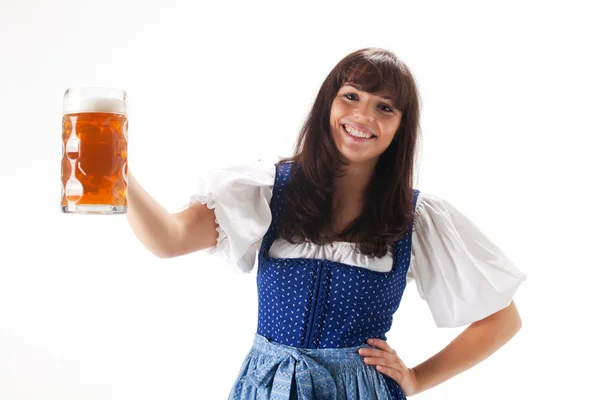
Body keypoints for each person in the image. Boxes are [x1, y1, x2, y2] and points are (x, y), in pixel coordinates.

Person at [125, 47, 527, 399]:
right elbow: (169, 239)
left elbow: (501, 319)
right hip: (268, 389)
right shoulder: (268, 191)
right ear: (328, 106)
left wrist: (417, 379)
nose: (363, 115)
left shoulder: (416, 217)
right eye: (351, 96)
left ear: (401, 126)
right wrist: (116, 172)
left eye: (384, 107)